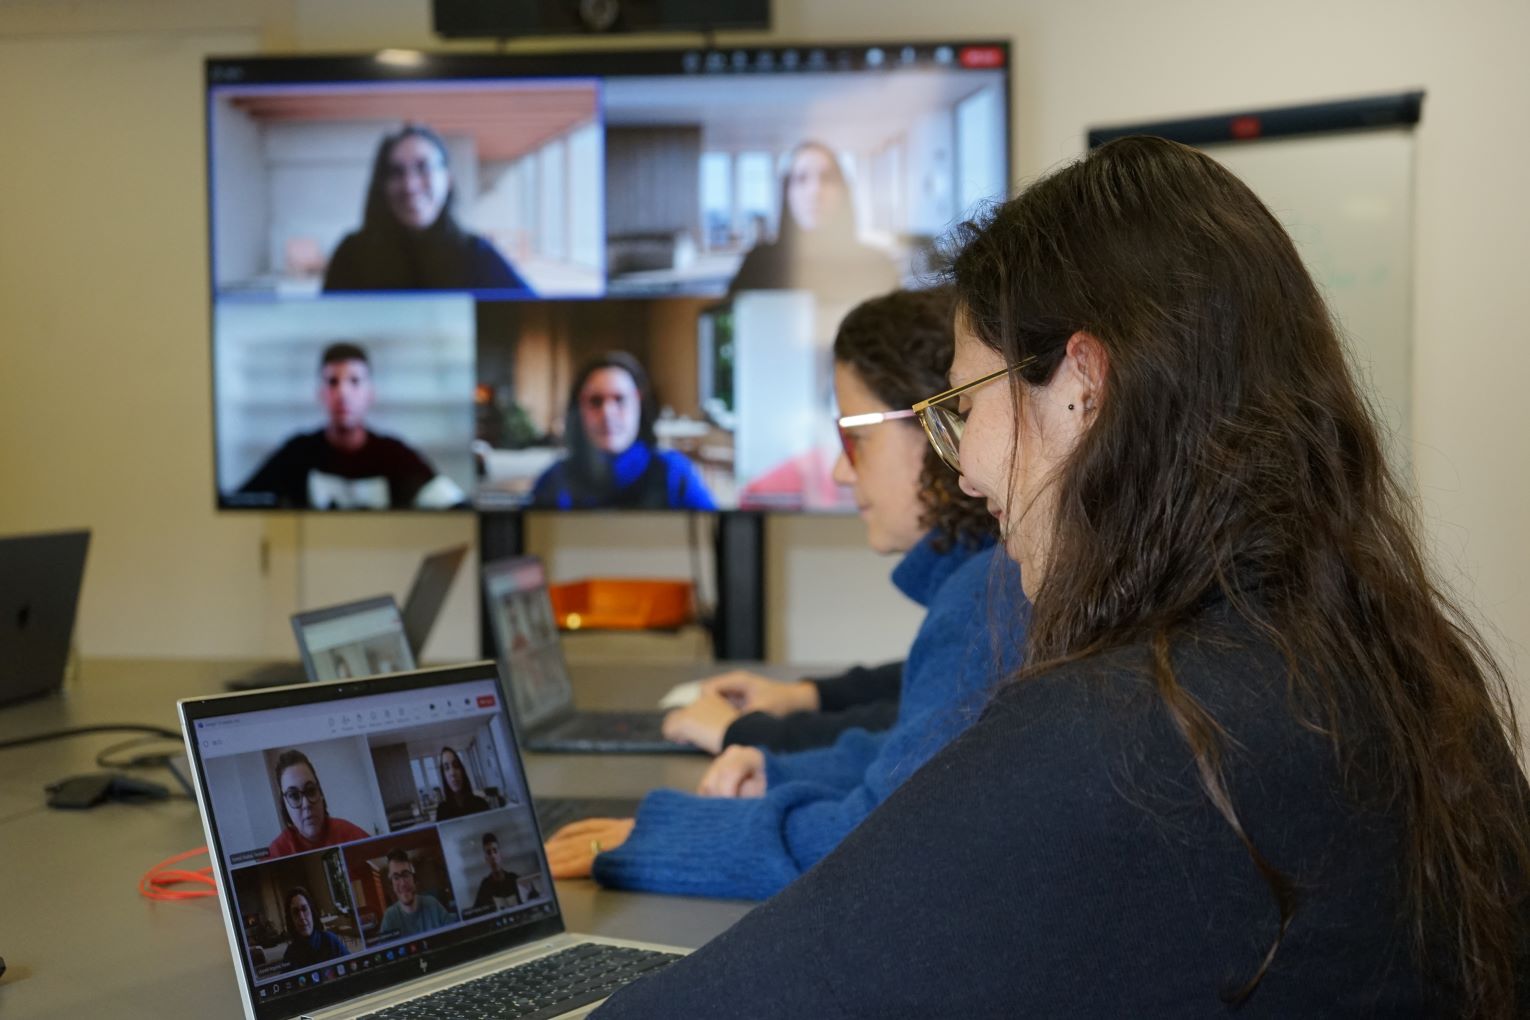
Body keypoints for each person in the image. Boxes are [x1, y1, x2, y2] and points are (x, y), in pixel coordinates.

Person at [590, 137, 1530, 1018]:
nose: (961, 471)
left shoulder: (1123, 732)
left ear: (1082, 387)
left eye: (962, 407)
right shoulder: (1404, 669)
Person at [544, 286, 1026, 898]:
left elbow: (877, 837)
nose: (839, 470)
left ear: (935, 425)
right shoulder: (986, 587)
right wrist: (776, 768)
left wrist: (656, 837)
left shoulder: (984, 599)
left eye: (856, 437)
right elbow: (911, 756)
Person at [236, 342, 467, 510]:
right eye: (332, 382)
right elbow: (242, 500)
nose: (343, 394)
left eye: (355, 381)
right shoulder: (298, 452)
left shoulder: (394, 454)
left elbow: (452, 503)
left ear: (370, 394)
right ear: (320, 394)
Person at [323, 123, 530, 294]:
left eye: (423, 168)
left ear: (447, 180)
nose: (410, 185)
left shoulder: (476, 255)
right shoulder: (351, 254)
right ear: (382, 185)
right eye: (396, 172)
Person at [529, 352, 717, 510]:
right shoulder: (554, 480)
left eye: (620, 399)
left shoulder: (674, 473)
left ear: (639, 405)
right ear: (579, 411)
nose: (608, 413)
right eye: (596, 401)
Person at [728, 141, 899, 300]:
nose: (815, 191)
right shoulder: (758, 264)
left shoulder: (876, 264)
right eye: (801, 178)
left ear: (843, 191)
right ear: (787, 193)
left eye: (827, 178)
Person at [265, 749, 370, 860]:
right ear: (284, 805)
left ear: (320, 793)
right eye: (294, 796)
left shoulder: (350, 835)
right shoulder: (276, 854)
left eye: (310, 790)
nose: (306, 804)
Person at [377, 848, 454, 939]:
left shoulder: (433, 904)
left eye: (406, 875)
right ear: (392, 884)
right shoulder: (389, 917)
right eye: (396, 877)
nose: (403, 883)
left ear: (414, 879)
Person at [281, 886, 347, 970]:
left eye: (304, 909)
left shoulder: (330, 940)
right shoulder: (290, 954)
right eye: (295, 912)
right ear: (291, 919)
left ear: (312, 912)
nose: (301, 917)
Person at [433, 746, 490, 822]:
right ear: (444, 777)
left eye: (456, 765)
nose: (452, 773)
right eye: (446, 768)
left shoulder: (481, 804)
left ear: (462, 771)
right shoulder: (442, 811)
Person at [470, 832, 523, 912]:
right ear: (486, 859)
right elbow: (475, 912)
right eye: (489, 853)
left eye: (495, 851)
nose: (493, 856)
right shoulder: (485, 886)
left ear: (500, 854)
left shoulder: (515, 879)